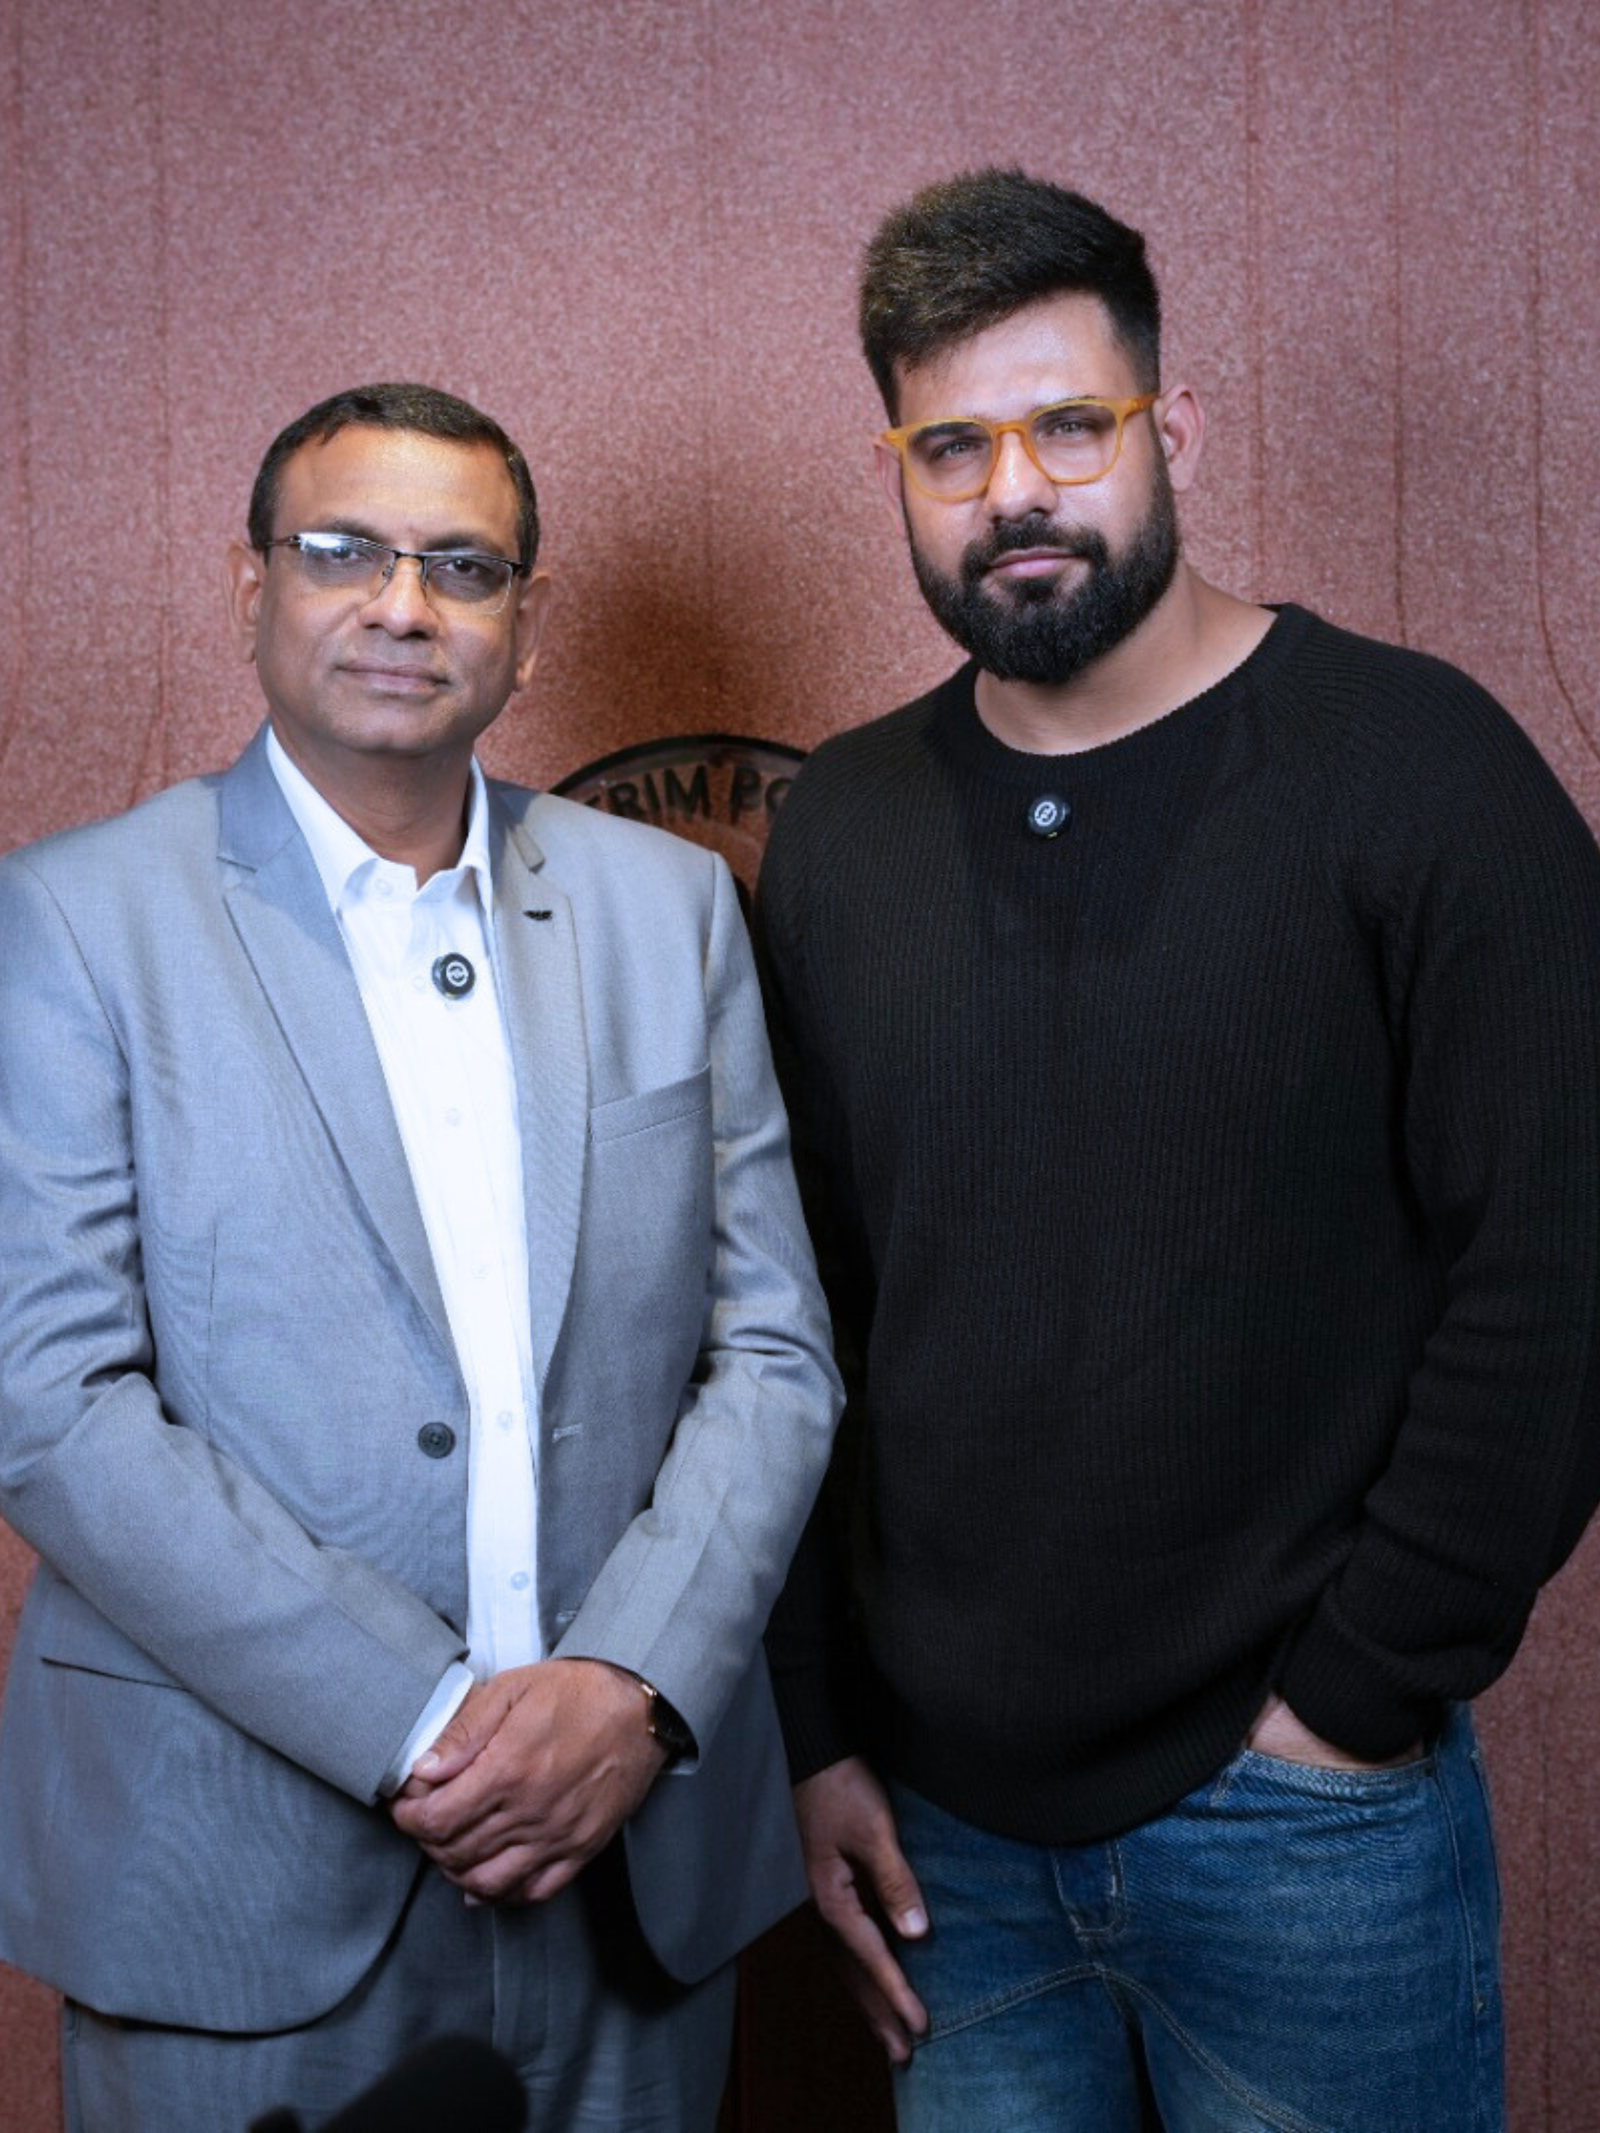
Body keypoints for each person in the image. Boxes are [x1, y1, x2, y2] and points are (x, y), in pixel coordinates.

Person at [753, 169, 1600, 2132]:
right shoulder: (849, 832)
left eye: (1069, 426)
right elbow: (792, 1306)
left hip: (1298, 1822)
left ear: (1171, 430)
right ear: (894, 467)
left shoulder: (1419, 772)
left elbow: (1555, 1255)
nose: (1013, 491)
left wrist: (1353, 1696)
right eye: (948, 445)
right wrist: (815, 1737)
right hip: (941, 1833)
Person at [0, 381, 842, 2133]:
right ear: (252, 591)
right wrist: (427, 1721)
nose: (405, 603)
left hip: (633, 1867)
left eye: (465, 566)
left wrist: (630, 1690)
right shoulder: (78, 920)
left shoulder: (663, 909)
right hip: (241, 1884)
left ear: (526, 627)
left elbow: (773, 1353)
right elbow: (48, 1397)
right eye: (346, 552)